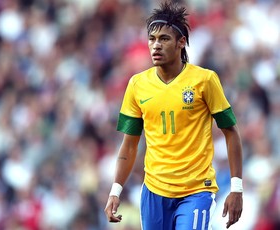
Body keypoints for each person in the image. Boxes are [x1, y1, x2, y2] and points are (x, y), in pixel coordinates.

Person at [104, 1, 243, 230]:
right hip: (154, 191)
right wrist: (115, 191)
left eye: (164, 39)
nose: (156, 45)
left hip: (196, 190)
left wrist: (236, 188)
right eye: (152, 39)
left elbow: (231, 132)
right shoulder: (137, 85)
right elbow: (129, 145)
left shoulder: (204, 80)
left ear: (181, 43)